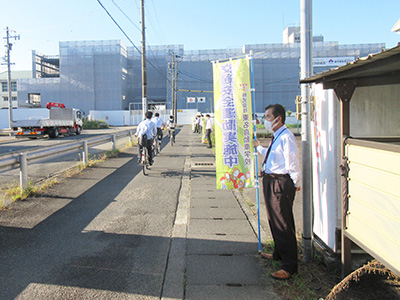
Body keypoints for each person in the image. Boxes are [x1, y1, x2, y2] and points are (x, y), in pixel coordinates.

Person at [254, 104, 301, 280]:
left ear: (278, 118)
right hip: (271, 179)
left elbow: (292, 161)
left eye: (267, 117)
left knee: (283, 222)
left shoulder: (287, 137)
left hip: (280, 183)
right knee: (273, 219)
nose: (265, 120)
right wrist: (258, 147)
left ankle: (289, 266)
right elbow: (272, 157)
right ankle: (278, 253)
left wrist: (294, 183)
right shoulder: (277, 136)